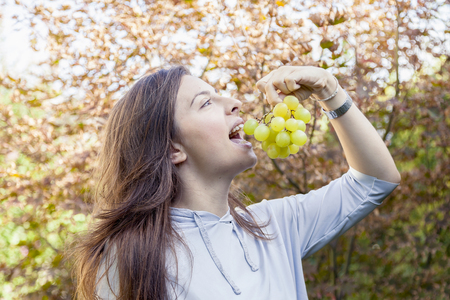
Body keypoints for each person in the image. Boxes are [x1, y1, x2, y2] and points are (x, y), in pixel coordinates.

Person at [71, 65, 400, 300]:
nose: (234, 103)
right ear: (173, 148)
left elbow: (375, 180)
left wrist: (330, 90)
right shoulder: (127, 257)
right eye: (206, 103)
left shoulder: (274, 225)